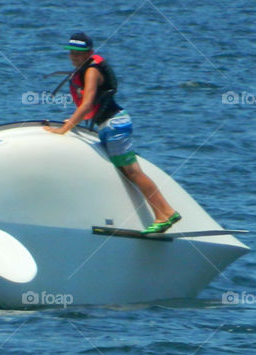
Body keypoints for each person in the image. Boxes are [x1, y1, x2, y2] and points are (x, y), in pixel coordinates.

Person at [44, 32, 181, 234]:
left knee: (133, 172)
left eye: (79, 53)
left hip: (115, 124)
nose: (74, 56)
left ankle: (166, 213)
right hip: (108, 124)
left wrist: (65, 129)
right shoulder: (85, 68)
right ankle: (163, 213)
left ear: (89, 53)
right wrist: (71, 122)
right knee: (127, 172)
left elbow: (88, 103)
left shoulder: (91, 70)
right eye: (71, 52)